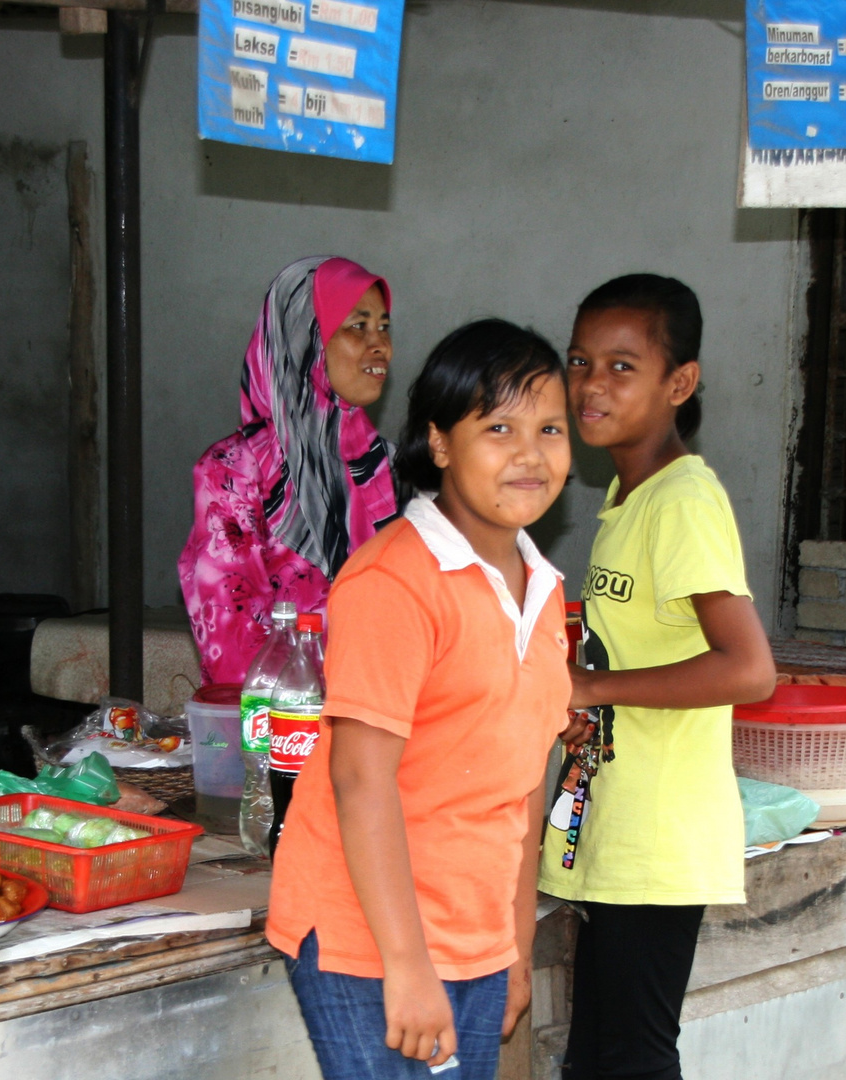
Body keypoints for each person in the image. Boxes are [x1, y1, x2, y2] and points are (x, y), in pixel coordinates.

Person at [265, 320, 575, 1080]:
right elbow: (359, 780)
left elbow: (524, 778)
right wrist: (405, 966)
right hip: (369, 938)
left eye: (549, 429)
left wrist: (513, 947)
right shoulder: (393, 581)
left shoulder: (542, 589)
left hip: (472, 936)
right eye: (497, 427)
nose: (528, 454)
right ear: (439, 443)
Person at [538, 274, 777, 1080]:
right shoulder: (626, 495)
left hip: (661, 830)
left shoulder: (680, 499)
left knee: (633, 1057)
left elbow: (747, 668)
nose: (589, 386)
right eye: (578, 362)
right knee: (593, 1057)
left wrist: (592, 688)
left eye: (619, 366)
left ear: (679, 383)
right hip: (618, 816)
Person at [179, 256, 399, 687]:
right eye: (358, 326)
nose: (381, 346)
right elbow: (231, 640)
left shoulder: (387, 470)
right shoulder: (235, 472)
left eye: (385, 327)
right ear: (303, 337)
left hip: (380, 730)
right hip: (279, 735)